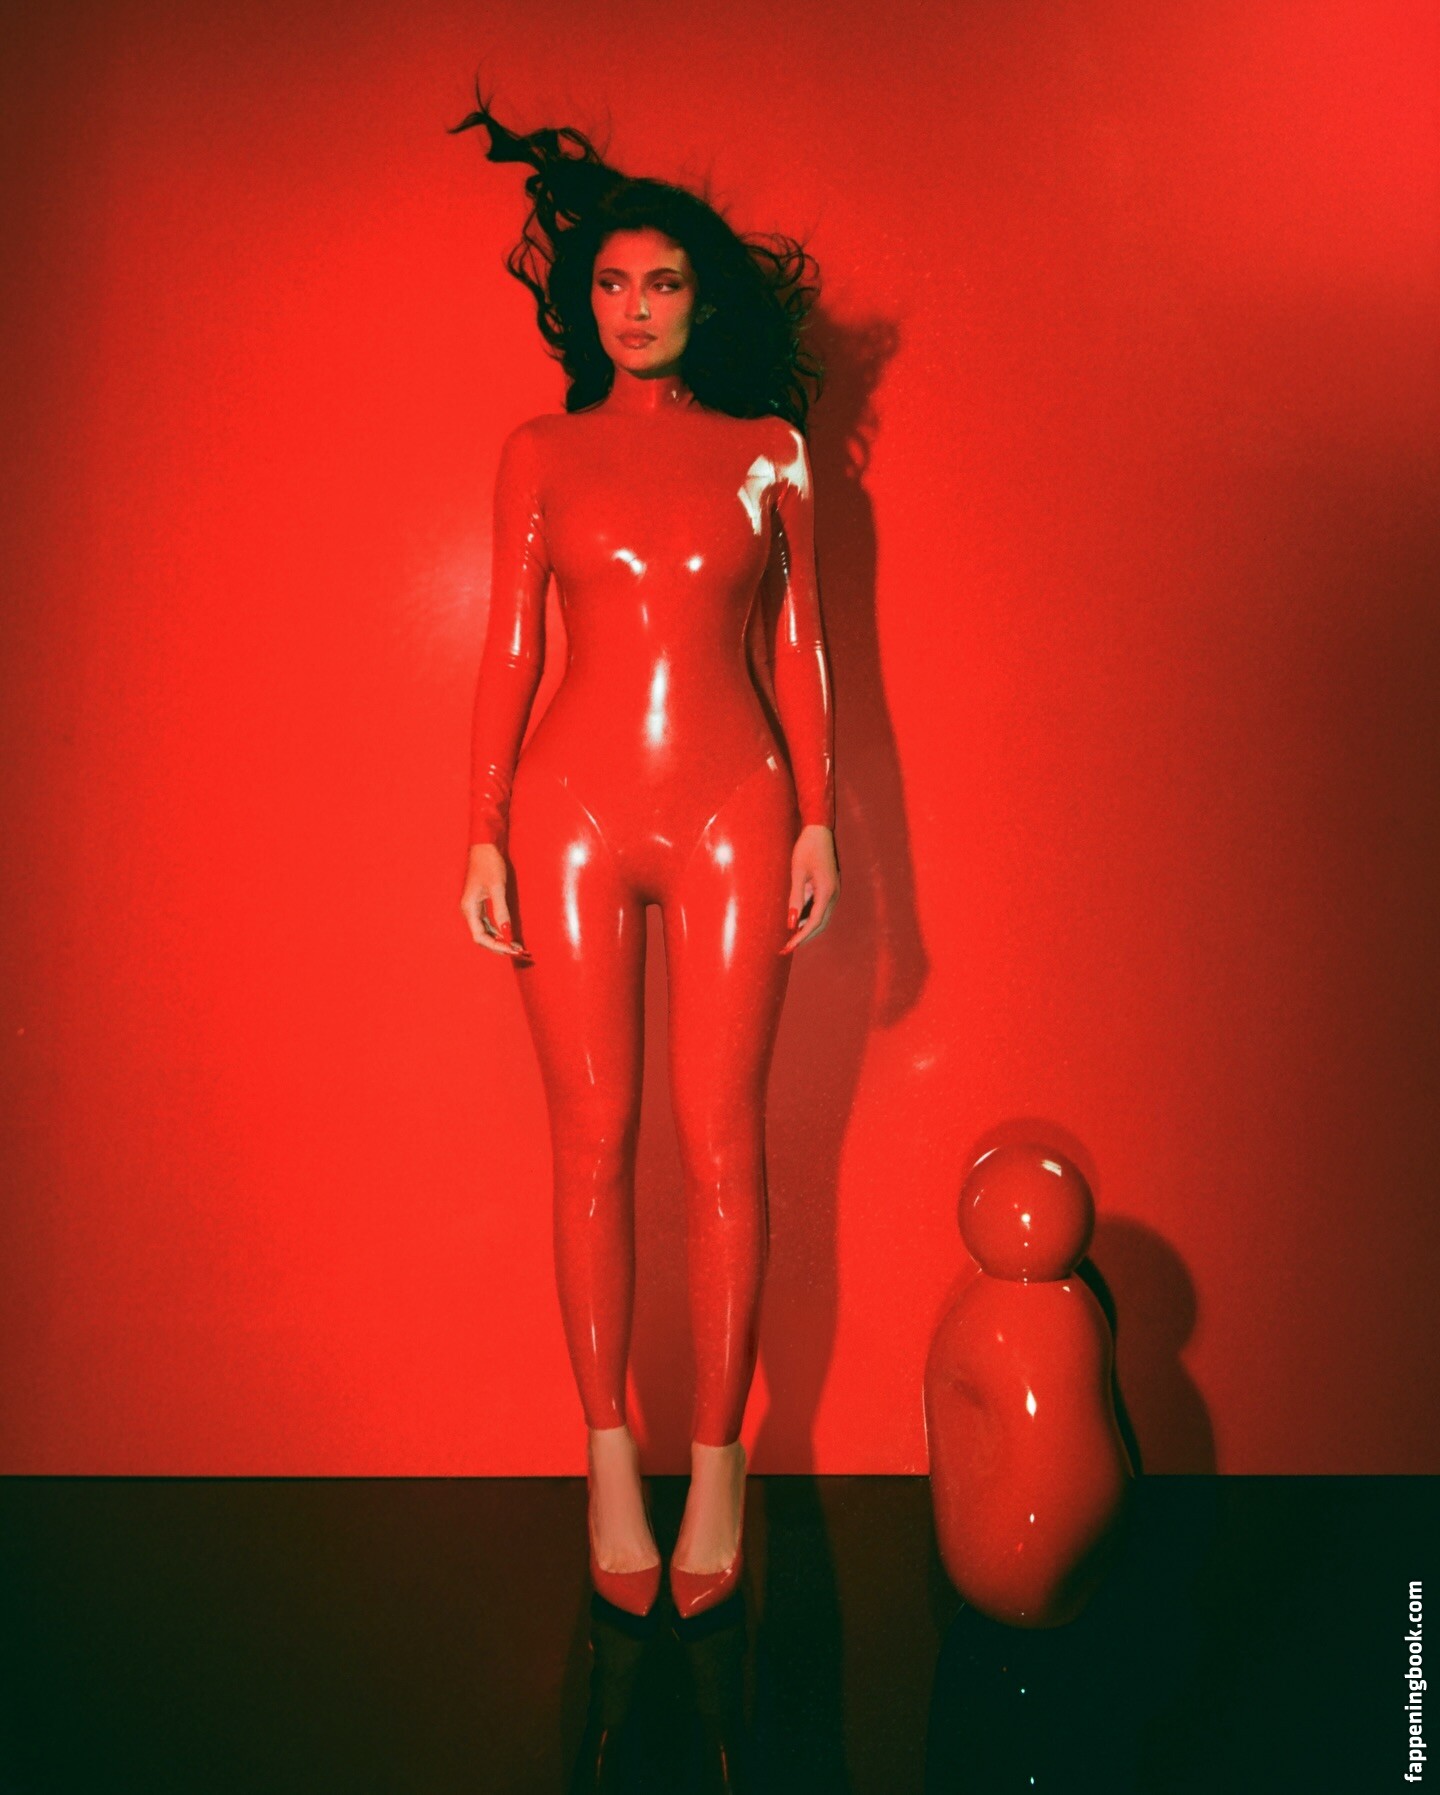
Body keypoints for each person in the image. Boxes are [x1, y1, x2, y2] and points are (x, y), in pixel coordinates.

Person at [450, 89, 839, 1620]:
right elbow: (509, 650)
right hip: (571, 814)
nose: (635, 307)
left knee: (723, 1140)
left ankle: (719, 1462)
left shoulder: (771, 453)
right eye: (612, 283)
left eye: (663, 282)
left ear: (702, 299)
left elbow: (803, 650)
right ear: (585, 301)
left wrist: (822, 818)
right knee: (592, 1141)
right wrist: (480, 830)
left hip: (738, 805)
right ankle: (609, 1453)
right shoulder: (540, 451)